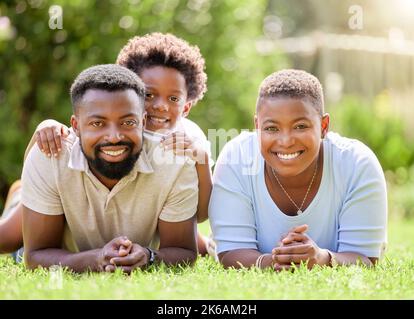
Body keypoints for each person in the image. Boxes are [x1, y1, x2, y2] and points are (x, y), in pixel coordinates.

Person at [0, 33, 214, 258]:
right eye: (149, 95)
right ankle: (19, 195)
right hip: (74, 211)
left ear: (186, 106)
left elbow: (197, 217)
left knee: (192, 237)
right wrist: (44, 127)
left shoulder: (187, 139)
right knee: (9, 237)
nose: (160, 106)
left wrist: (201, 158)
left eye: (173, 99)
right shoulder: (102, 125)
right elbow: (42, 165)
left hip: (148, 210)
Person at [20, 64, 199, 272]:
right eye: (98, 124)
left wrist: (149, 257)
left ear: (142, 122)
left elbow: (184, 252)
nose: (114, 137)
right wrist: (96, 259)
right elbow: (35, 255)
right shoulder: (50, 154)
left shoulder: (174, 162)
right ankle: (17, 194)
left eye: (128, 122)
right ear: (76, 126)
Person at [209, 69, 387, 270]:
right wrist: (272, 262)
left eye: (300, 126)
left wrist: (323, 259)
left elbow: (365, 258)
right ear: (257, 126)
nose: (285, 141)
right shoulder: (237, 157)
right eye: (271, 128)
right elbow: (230, 252)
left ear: (324, 126)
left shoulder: (356, 164)